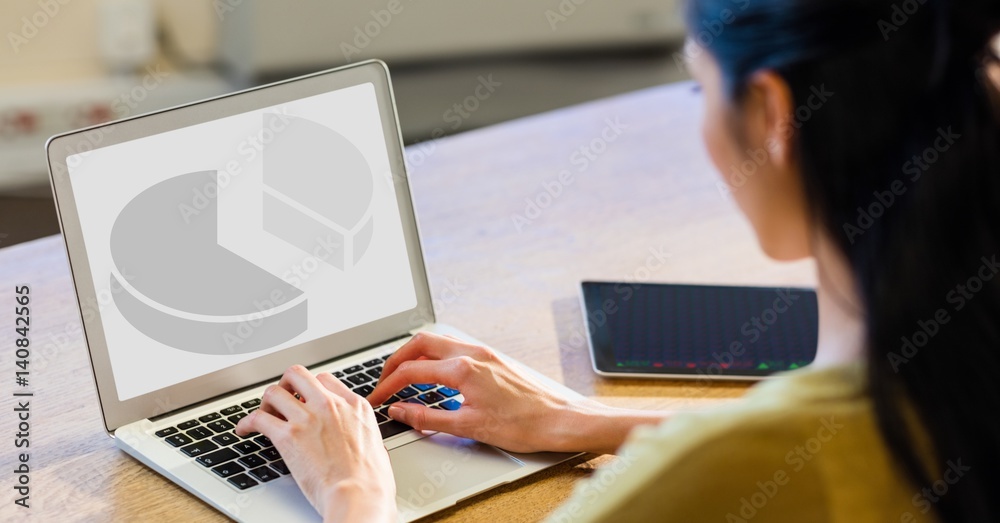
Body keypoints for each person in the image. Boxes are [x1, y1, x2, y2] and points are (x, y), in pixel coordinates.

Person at [235, 0, 1000, 520]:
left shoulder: (705, 479)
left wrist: (350, 486)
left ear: (772, 114)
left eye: (698, 83)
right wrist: (588, 418)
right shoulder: (951, 380)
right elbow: (825, 434)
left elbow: (759, 458)